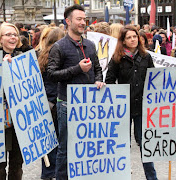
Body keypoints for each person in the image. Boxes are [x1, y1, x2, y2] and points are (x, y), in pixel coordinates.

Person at [47, 4, 104, 180]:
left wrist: (99, 79)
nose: (82, 23)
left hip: (89, 103)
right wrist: (77, 69)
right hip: (67, 104)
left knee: (87, 146)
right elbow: (52, 74)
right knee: (65, 148)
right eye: (78, 19)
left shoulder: (90, 45)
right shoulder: (59, 47)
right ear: (68, 21)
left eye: (84, 19)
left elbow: (98, 68)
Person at [105, 25, 158, 180]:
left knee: (145, 144)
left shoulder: (146, 56)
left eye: (134, 36)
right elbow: (109, 80)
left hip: (142, 107)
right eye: (128, 37)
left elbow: (153, 80)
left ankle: (152, 177)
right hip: (123, 109)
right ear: (123, 40)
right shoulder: (117, 58)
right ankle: (122, 175)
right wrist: (117, 99)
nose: (133, 39)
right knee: (122, 144)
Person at [0, 22, 23, 180]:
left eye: (15, 34)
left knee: (17, 162)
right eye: (8, 34)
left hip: (20, 118)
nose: (13, 37)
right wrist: (2, 68)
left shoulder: (23, 57)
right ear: (0, 38)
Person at [38, 27, 65, 180]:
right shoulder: (59, 57)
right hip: (56, 101)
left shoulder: (42, 56)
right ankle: (56, 173)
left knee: (49, 142)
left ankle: (48, 173)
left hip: (46, 103)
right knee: (60, 140)